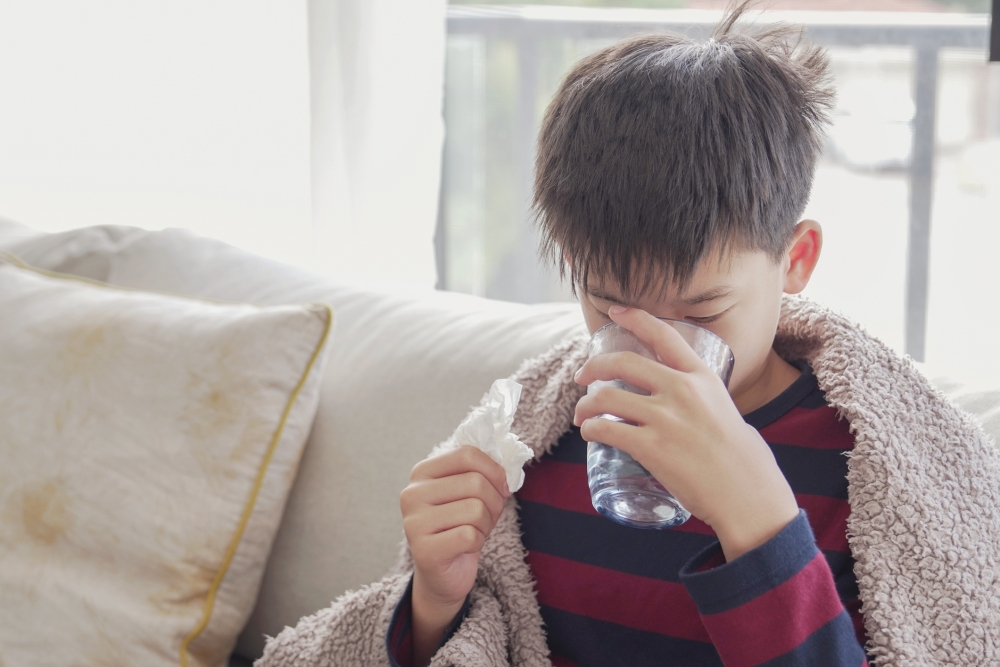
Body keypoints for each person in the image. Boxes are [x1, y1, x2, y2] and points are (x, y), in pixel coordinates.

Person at [258, 4, 1000, 666]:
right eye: (610, 305)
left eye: (701, 311)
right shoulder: (540, 438)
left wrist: (760, 524)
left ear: (795, 260)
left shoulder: (871, 470)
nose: (649, 343)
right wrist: (433, 601)